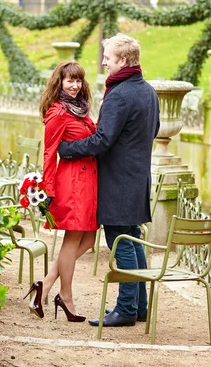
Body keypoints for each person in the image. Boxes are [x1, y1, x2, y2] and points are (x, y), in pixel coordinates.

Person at [58, 33, 160, 327]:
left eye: (108, 57)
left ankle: (126, 308)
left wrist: (69, 150)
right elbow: (154, 129)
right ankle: (139, 307)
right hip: (138, 178)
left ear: (122, 61)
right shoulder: (148, 91)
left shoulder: (120, 94)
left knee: (120, 241)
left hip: (117, 182)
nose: (103, 62)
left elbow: (102, 140)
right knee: (133, 239)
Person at [24, 62, 98, 323]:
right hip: (74, 184)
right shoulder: (58, 112)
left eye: (78, 81)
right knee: (73, 240)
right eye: (70, 81)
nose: (75, 85)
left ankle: (45, 283)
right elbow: (49, 152)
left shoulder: (79, 109)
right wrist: (49, 189)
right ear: (60, 83)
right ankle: (66, 298)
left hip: (88, 182)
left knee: (88, 240)